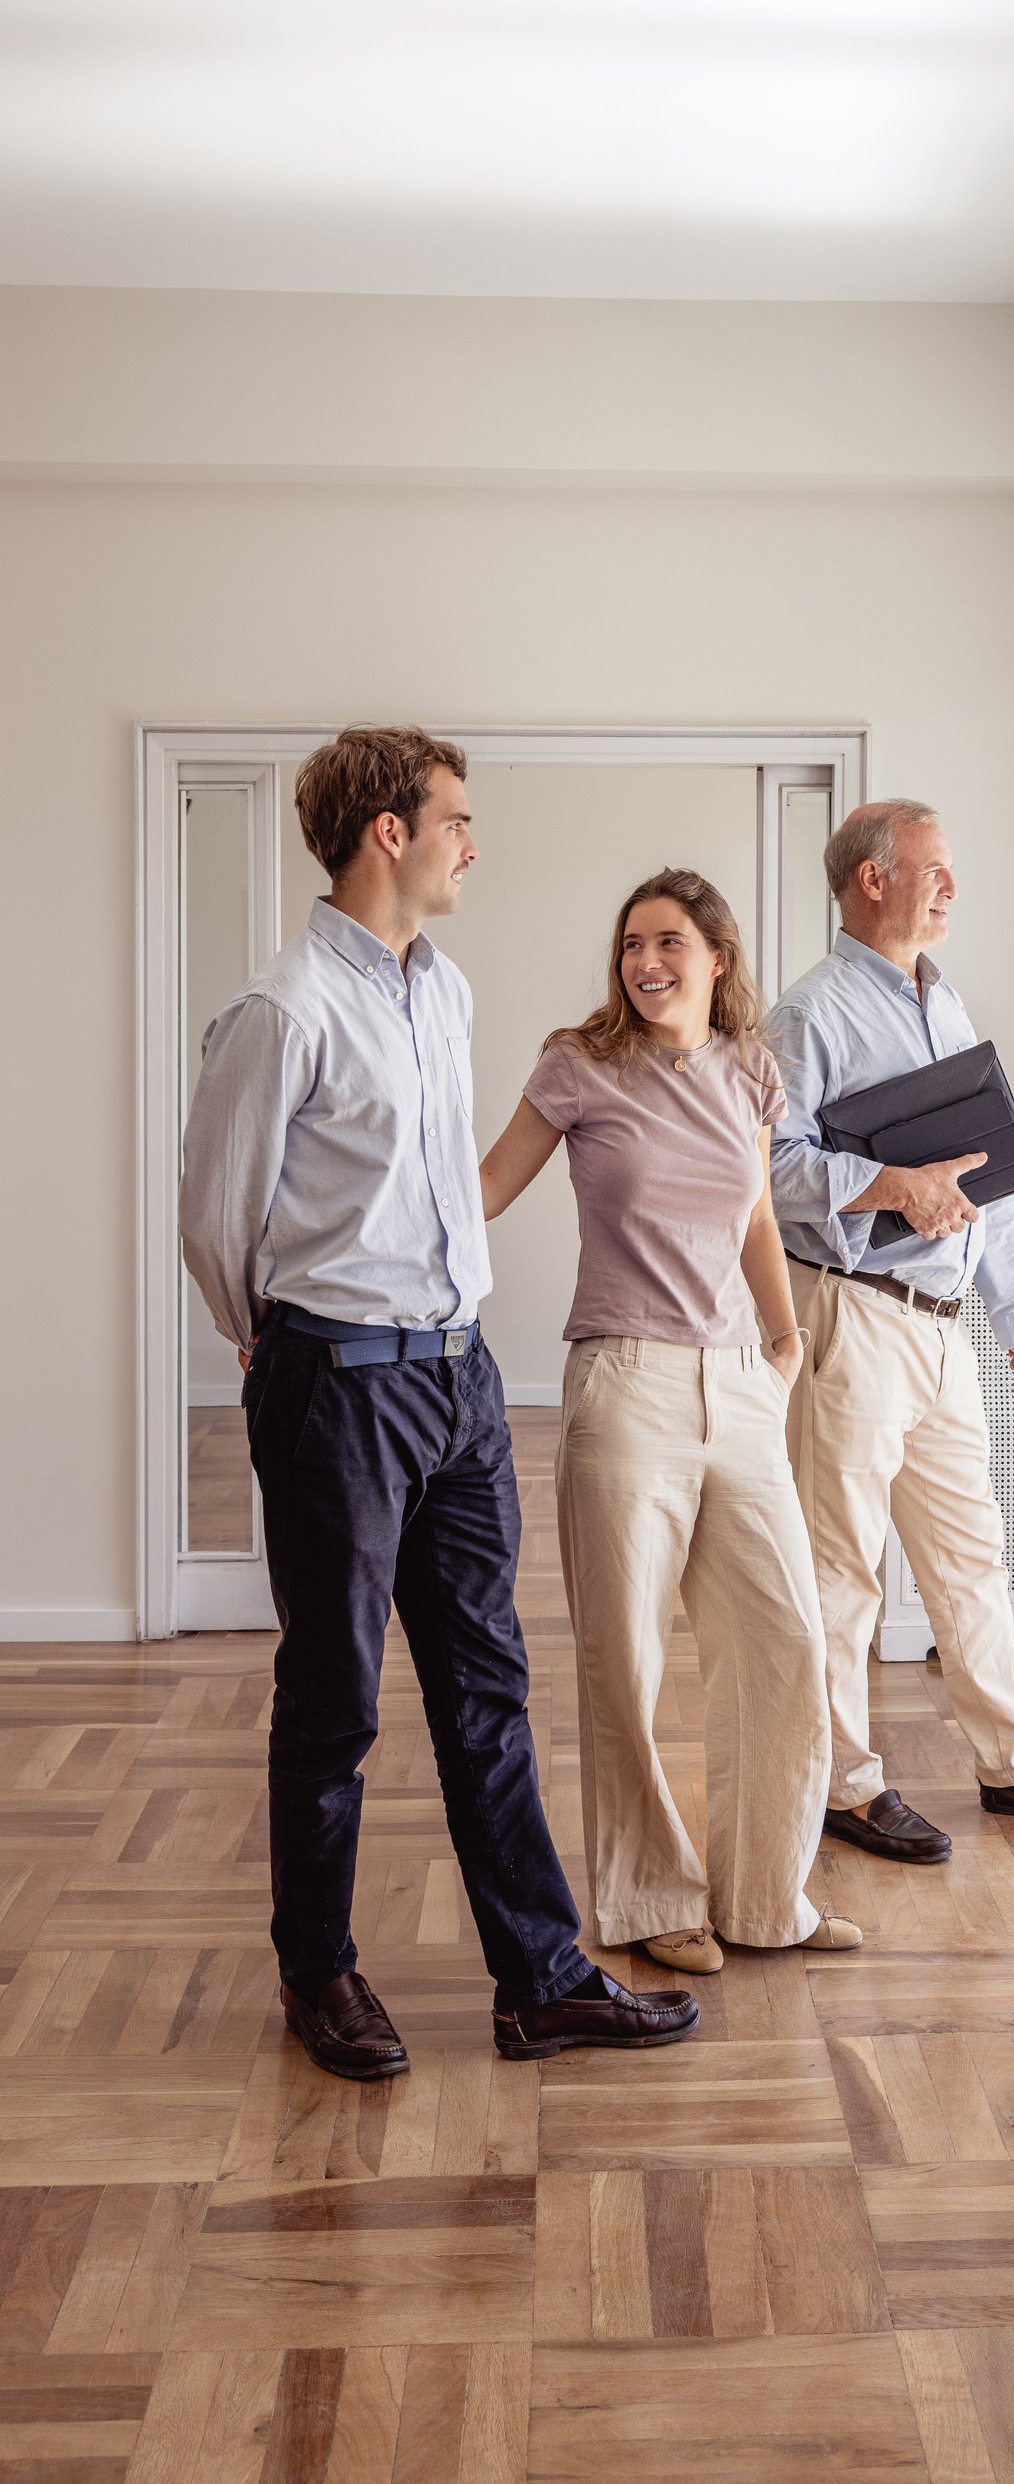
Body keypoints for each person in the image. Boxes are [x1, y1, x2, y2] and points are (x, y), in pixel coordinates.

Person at [179, 726, 697, 2081]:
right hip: (338, 1387)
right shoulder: (284, 1007)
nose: (473, 841)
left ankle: (543, 1980)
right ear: (389, 832)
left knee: (488, 1691)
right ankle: (318, 1971)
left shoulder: (445, 990)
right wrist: (273, 1344)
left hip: (460, 1383)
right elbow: (216, 1217)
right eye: (456, 818)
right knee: (334, 1699)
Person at [479, 869, 858, 1977]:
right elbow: (483, 1189)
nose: (645, 963)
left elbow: (754, 1215)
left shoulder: (751, 1071)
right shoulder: (579, 1065)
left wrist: (784, 1343)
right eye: (632, 944)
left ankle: (766, 1896)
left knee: (787, 1644)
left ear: (716, 957)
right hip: (626, 1385)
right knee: (627, 1662)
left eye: (669, 943)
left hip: (740, 1386)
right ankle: (650, 1898)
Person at [767, 798, 1014, 1861]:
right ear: (872, 878)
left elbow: (988, 1169)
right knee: (842, 1569)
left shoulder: (947, 1002)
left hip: (942, 1331)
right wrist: (890, 1182)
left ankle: (1013, 1763)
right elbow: (769, 1168)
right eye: (933, 869)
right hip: (852, 1317)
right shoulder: (810, 1014)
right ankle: (843, 1784)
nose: (951, 887)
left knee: (971, 1555)